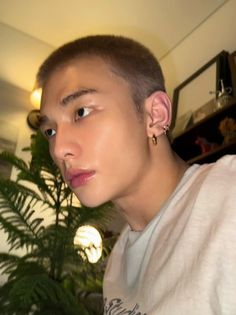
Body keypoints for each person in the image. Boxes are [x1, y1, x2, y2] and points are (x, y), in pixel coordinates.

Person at [37, 35, 236, 315]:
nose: (58, 149)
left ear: (155, 115)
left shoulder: (229, 196)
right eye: (50, 131)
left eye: (81, 112)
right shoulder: (118, 261)